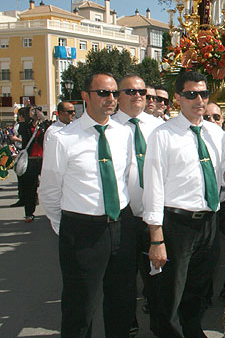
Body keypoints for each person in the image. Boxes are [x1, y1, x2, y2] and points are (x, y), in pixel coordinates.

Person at [143, 70, 225, 337]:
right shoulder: (163, 135)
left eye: (203, 93)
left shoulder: (217, 135)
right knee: (170, 293)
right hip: (176, 224)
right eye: (191, 94)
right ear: (178, 98)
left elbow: (221, 181)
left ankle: (192, 329)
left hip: (208, 222)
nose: (199, 100)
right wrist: (156, 237)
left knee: (198, 289)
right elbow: (153, 187)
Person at [39, 72, 136, 337]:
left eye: (115, 93)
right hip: (82, 230)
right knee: (80, 308)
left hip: (120, 226)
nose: (111, 99)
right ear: (85, 96)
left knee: (122, 302)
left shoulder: (123, 133)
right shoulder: (63, 138)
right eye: (103, 93)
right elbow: (49, 190)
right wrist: (66, 228)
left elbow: (125, 176)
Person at [112, 74, 163, 333]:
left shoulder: (159, 127)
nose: (138, 96)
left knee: (158, 278)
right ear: (118, 96)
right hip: (122, 218)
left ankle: (158, 323)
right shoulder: (108, 128)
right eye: (130, 91)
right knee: (122, 279)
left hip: (154, 218)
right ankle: (126, 323)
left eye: (142, 91)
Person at [16, 106, 46, 221]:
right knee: (30, 187)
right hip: (30, 159)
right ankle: (29, 212)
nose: (35, 113)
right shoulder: (24, 126)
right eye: (32, 111)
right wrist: (31, 120)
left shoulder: (43, 125)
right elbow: (21, 131)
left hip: (42, 158)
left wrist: (41, 119)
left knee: (49, 184)